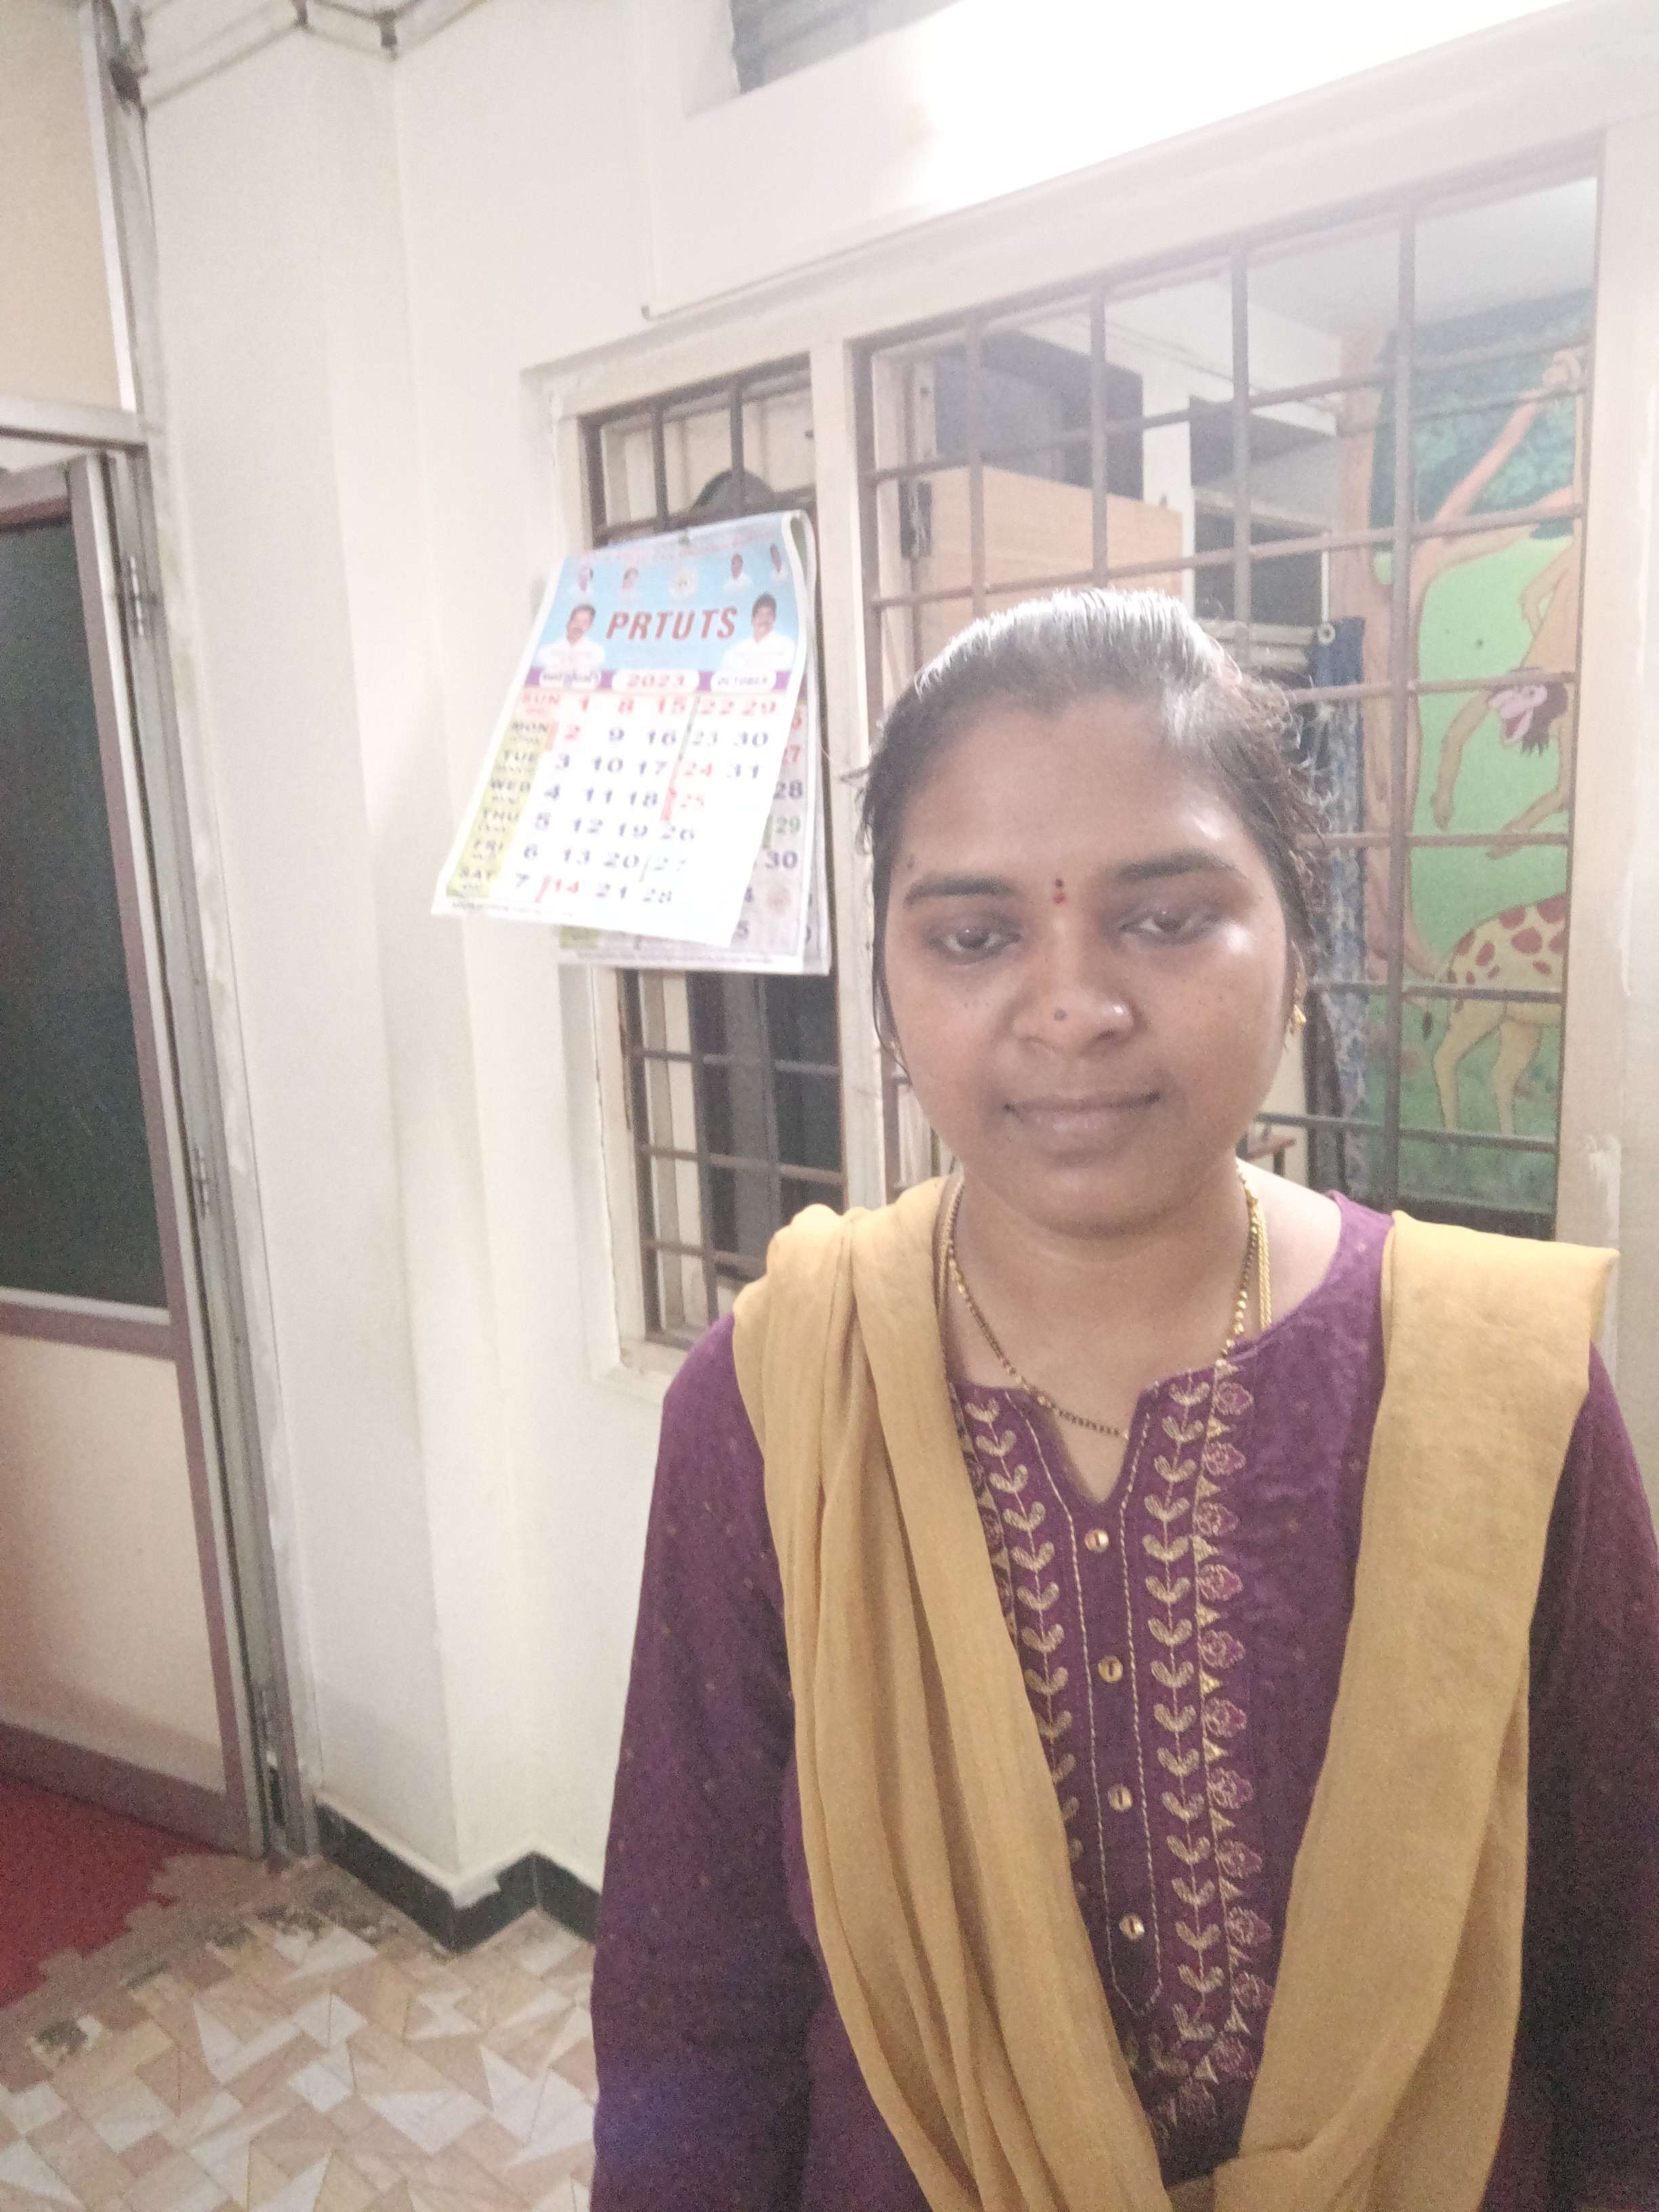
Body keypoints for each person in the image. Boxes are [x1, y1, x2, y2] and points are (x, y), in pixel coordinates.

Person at [591, 591, 1659, 2212]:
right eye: (973, 937)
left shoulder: (1501, 1389)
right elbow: (695, 2004)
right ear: (885, 991)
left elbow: (1623, 1982)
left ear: (1297, 947)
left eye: (1164, 919)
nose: (1073, 1005)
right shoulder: (776, 1399)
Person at [720, 590, 796, 677]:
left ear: (774, 618)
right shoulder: (736, 650)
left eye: (769, 615)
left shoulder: (786, 646)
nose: (764, 619)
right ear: (752, 620)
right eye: (760, 615)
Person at [534, 602, 602, 682]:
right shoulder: (546, 651)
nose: (579, 626)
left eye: (584, 622)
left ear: (589, 626)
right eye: (576, 621)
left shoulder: (597, 653)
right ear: (569, 622)